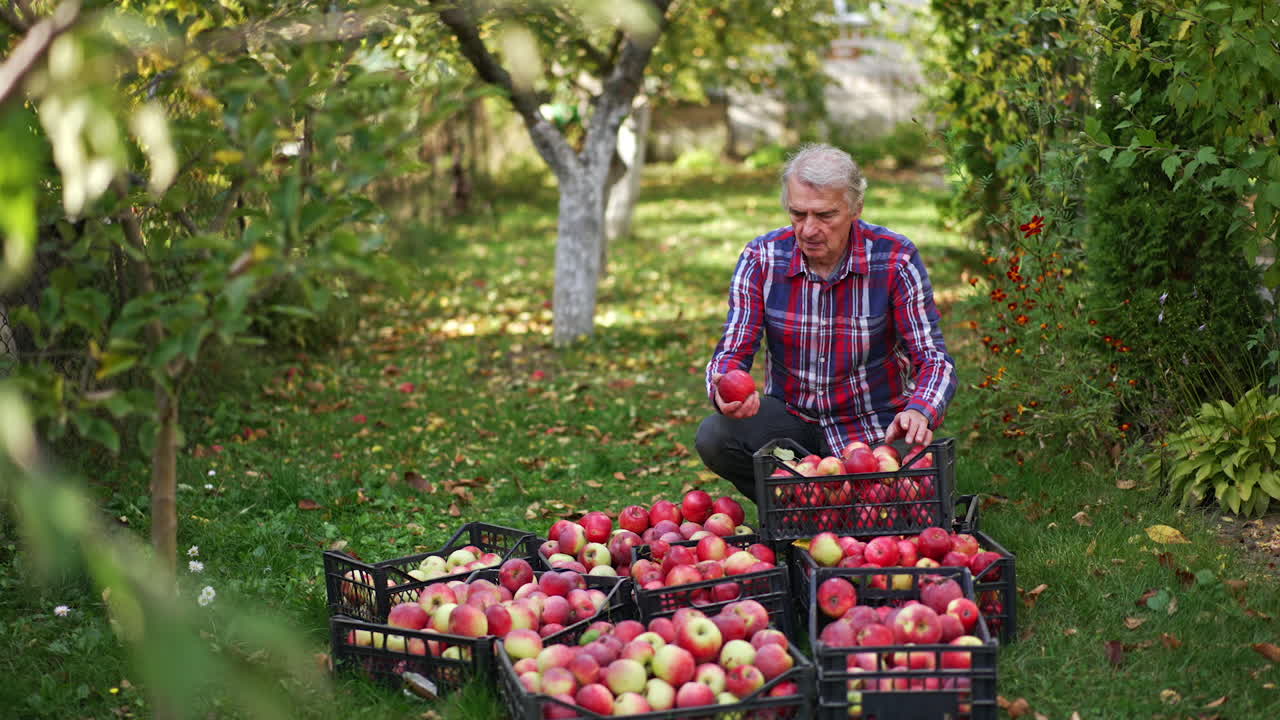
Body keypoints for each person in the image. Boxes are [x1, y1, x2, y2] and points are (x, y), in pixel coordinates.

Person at [695, 143, 957, 501]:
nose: (808, 229)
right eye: (798, 214)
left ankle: (818, 510)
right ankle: (800, 509)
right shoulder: (761, 259)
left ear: (855, 209)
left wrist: (920, 410)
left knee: (909, 489)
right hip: (792, 423)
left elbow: (934, 359)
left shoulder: (895, 258)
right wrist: (722, 385)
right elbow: (732, 350)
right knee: (715, 436)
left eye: (824, 215)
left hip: (872, 424)